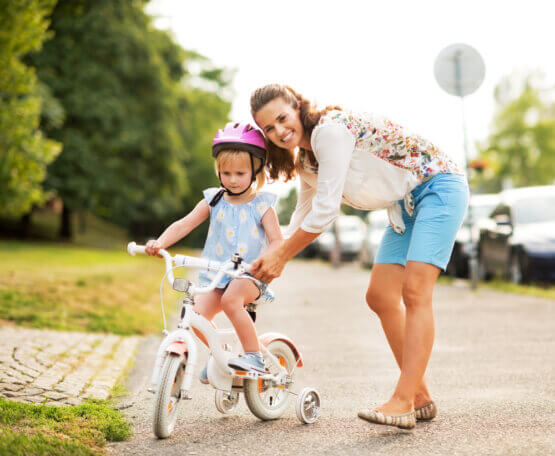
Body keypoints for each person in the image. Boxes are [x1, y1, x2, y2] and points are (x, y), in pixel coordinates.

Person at [249, 84, 469, 430]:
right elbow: (300, 218)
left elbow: (324, 214)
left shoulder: (330, 132)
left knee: (415, 291)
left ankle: (403, 400)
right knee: (380, 297)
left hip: (438, 186)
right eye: (268, 128)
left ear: (297, 107)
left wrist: (283, 258)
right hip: (405, 204)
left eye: (282, 118)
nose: (279, 131)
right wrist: (265, 258)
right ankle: (420, 396)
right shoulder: (307, 160)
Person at [145, 122, 282, 377]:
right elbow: (184, 224)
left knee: (232, 301)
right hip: (218, 275)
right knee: (196, 316)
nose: (232, 179)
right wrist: (160, 242)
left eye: (240, 173)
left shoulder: (261, 204)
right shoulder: (214, 199)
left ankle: (255, 357)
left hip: (248, 276)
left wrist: (266, 262)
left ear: (256, 170)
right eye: (226, 172)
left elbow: (277, 241)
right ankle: (222, 357)